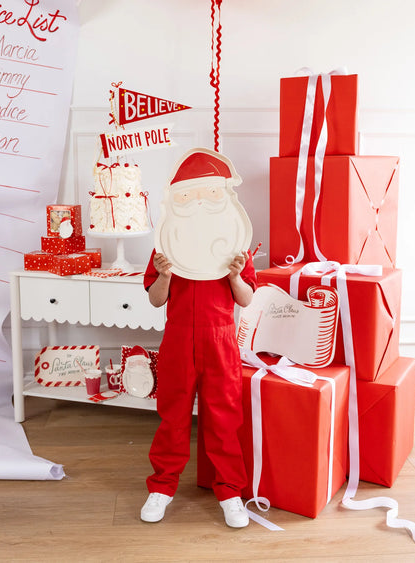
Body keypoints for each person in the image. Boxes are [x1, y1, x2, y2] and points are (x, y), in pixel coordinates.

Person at [140, 148, 257, 528]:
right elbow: (156, 300)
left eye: (209, 194)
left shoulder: (234, 245)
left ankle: (230, 492)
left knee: (224, 419)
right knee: (172, 417)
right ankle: (162, 486)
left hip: (220, 341)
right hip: (177, 339)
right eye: (189, 196)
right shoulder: (166, 247)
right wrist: (165, 275)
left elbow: (246, 299)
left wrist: (236, 275)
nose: (199, 204)